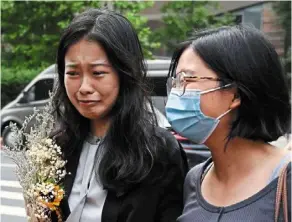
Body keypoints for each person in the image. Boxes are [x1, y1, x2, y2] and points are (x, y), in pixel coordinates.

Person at [27, 8, 188, 222]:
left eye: (98, 73)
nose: (84, 87)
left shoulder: (158, 153)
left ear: (125, 73)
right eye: (73, 73)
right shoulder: (55, 148)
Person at [165, 25, 291, 222]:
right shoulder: (195, 179)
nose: (176, 92)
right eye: (175, 82)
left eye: (187, 79)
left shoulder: (286, 180)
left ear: (235, 94)